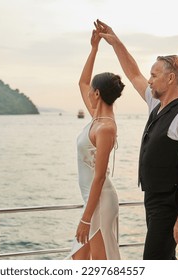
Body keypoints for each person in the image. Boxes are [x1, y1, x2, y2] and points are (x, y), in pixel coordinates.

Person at [95, 19, 178, 260]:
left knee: (154, 261)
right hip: (153, 199)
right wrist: (116, 43)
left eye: (154, 75)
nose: (148, 80)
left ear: (170, 79)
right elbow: (133, 72)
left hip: (170, 203)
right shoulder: (156, 102)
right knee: (164, 260)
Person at [66, 25, 125, 260]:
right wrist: (94, 49)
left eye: (92, 90)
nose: (87, 91)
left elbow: (99, 177)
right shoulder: (96, 117)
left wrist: (85, 219)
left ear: (98, 94)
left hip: (99, 203)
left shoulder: (106, 127)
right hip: (91, 202)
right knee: (78, 260)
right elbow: (81, 82)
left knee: (100, 263)